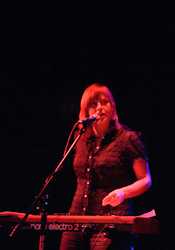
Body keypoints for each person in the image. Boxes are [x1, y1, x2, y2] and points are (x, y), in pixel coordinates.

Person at [60, 83, 152, 250]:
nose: (99, 108)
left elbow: (145, 179)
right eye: (93, 105)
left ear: (112, 107)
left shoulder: (127, 139)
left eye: (104, 102)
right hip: (76, 218)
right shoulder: (80, 138)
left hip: (111, 221)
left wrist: (123, 192)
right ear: (85, 111)